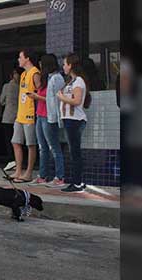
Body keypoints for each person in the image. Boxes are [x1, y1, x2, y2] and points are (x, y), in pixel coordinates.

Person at [26, 54, 65, 187]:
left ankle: (60, 177)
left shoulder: (56, 78)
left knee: (54, 147)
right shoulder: (46, 78)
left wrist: (37, 97)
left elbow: (56, 99)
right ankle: (43, 176)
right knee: (42, 148)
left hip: (49, 116)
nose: (40, 65)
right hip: (40, 114)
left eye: (41, 63)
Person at [57, 53, 88, 193]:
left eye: (65, 64)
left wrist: (61, 97)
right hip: (70, 120)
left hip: (75, 120)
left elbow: (76, 101)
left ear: (71, 65)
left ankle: (77, 183)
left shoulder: (78, 81)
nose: (63, 66)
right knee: (74, 152)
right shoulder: (72, 81)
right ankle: (77, 182)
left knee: (75, 153)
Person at [10, 49, 41, 183]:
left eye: (20, 57)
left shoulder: (35, 73)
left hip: (30, 113)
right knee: (15, 142)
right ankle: (18, 170)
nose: (19, 59)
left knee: (30, 144)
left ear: (27, 58)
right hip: (20, 114)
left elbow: (39, 92)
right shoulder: (23, 74)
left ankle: (28, 172)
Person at [0, 67, 23, 170]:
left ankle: (11, 160)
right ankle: (18, 161)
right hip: (19, 116)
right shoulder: (22, 87)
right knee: (18, 141)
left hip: (8, 116)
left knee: (9, 140)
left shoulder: (7, 86)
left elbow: (1, 100)